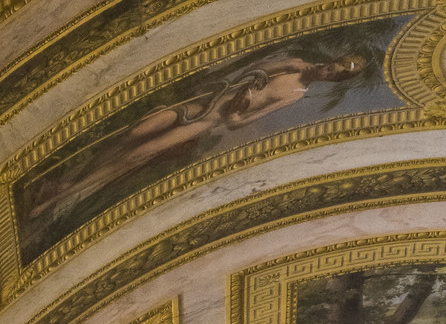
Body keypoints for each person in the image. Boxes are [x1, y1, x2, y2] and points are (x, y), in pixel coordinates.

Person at [24, 53, 372, 232]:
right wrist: (250, 79)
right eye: (333, 64)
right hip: (204, 99)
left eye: (334, 73)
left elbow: (238, 124)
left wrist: (237, 111)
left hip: (210, 118)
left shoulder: (295, 94)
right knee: (132, 134)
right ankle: (65, 181)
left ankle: (59, 195)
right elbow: (248, 69)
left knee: (139, 155)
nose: (327, 70)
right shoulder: (294, 64)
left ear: (334, 81)